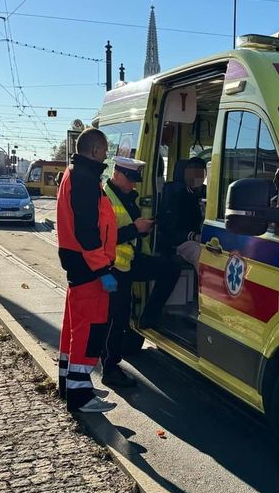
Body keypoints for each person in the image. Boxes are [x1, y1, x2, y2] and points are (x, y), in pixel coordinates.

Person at [101, 156, 181, 383]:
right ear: (116, 175)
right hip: (112, 267)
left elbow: (130, 229)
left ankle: (148, 317)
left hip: (130, 262)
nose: (134, 184)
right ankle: (109, 369)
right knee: (116, 318)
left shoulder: (127, 197)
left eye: (135, 180)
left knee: (171, 267)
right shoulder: (104, 199)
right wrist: (134, 228)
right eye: (130, 179)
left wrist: (143, 228)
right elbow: (102, 238)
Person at [56, 128, 118, 413]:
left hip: (78, 262)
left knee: (75, 324)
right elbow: (88, 231)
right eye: (105, 151)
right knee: (89, 328)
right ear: (95, 151)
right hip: (88, 265)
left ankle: (69, 382)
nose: (106, 155)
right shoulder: (85, 179)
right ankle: (80, 395)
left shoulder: (75, 174)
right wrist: (102, 267)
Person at [159, 157, 206, 266]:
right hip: (185, 242)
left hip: (212, 240)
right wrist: (194, 236)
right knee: (201, 254)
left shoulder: (212, 195)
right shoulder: (177, 197)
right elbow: (169, 230)